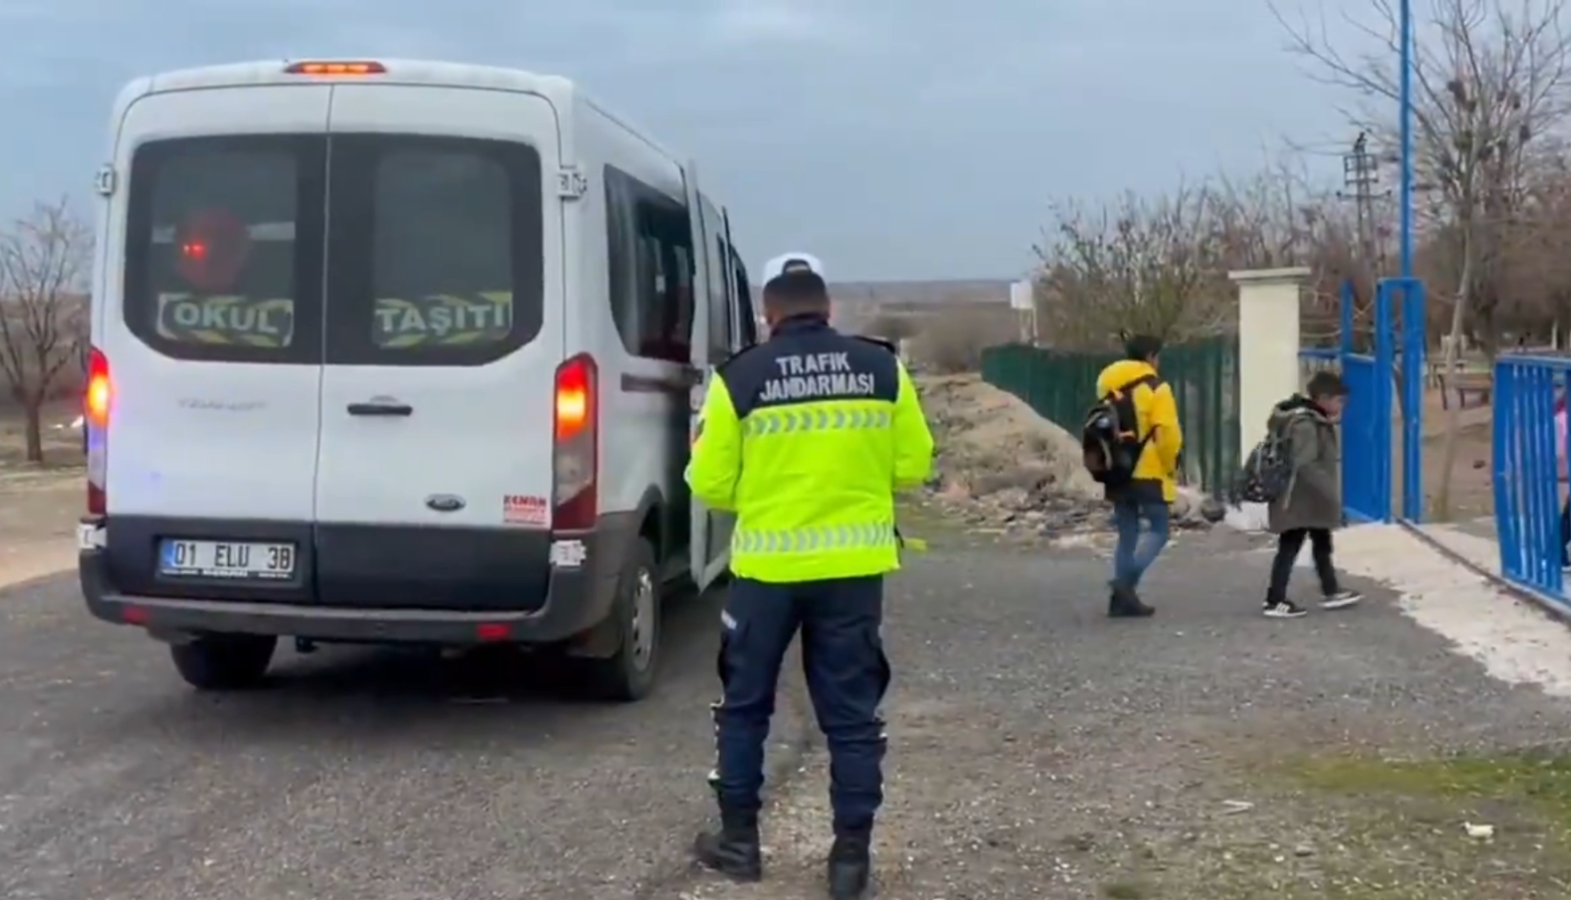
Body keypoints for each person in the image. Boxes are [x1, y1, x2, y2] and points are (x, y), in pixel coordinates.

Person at [685, 251, 935, 899]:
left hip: (767, 570)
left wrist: (767, 491)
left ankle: (739, 843)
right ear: (828, 309)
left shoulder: (738, 378)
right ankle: (849, 861)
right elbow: (912, 465)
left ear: (768, 315)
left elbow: (710, 483)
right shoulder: (882, 368)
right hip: (853, 570)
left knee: (744, 707)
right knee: (851, 717)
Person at [1094, 334, 1182, 617]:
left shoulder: (1108, 387)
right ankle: (1124, 586)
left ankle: (1122, 602)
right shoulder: (1157, 388)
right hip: (1148, 470)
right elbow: (1167, 434)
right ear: (1151, 356)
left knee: (1127, 534)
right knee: (1159, 530)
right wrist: (1169, 465)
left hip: (1117, 470)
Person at [1262, 371, 1363, 617]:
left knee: (1321, 542)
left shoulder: (1309, 419)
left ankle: (1331, 590)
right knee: (1290, 546)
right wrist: (1331, 494)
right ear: (1323, 398)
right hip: (1299, 498)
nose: (1341, 407)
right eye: (1339, 401)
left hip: (1307, 498)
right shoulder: (1307, 424)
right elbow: (1305, 464)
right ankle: (1275, 599)